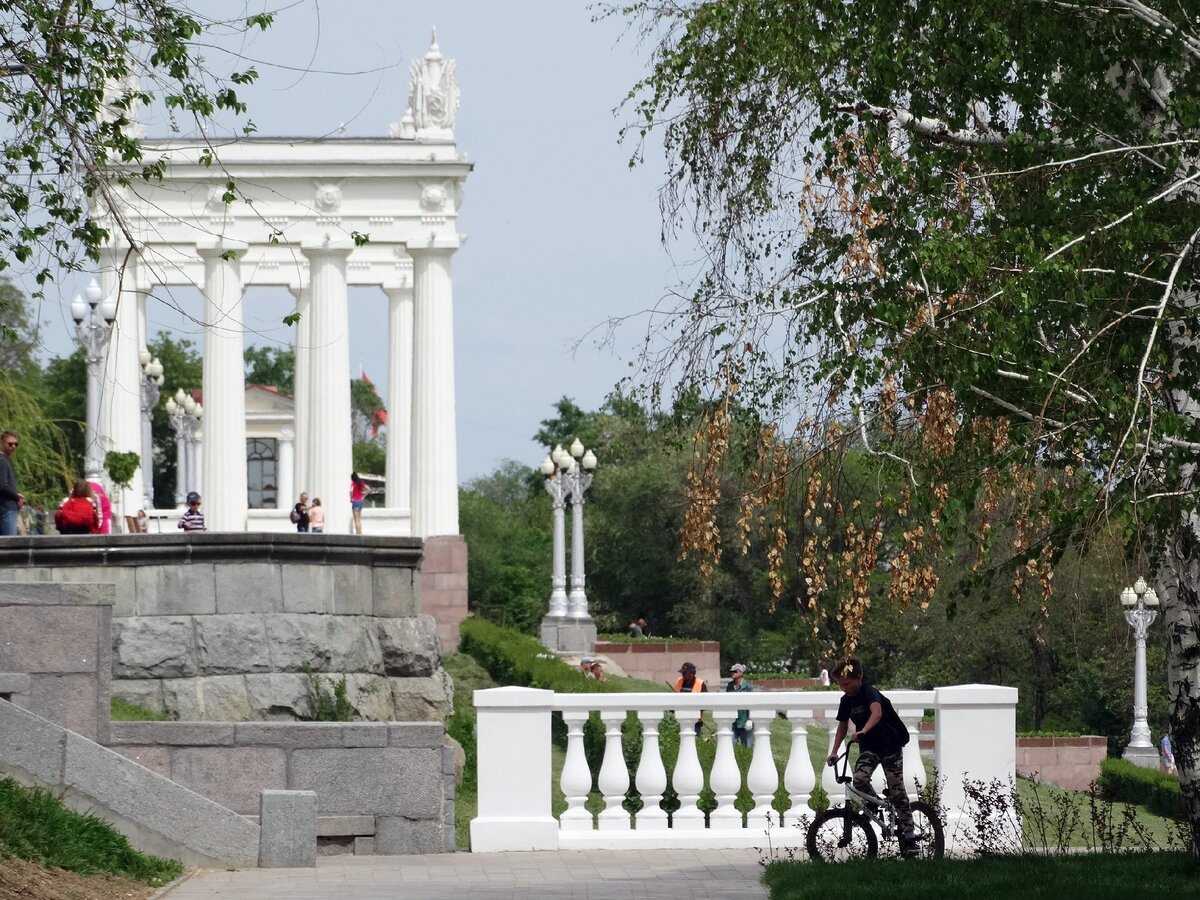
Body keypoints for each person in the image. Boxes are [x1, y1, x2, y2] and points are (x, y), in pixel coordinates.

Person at [827, 656, 917, 857]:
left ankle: (909, 835)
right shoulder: (845, 701)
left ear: (858, 677)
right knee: (859, 779)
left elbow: (875, 713)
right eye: (840, 684)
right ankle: (874, 804)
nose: (844, 688)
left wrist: (863, 730)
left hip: (890, 746)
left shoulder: (869, 692)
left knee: (897, 789)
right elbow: (842, 726)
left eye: (847, 684)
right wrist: (834, 751)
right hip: (870, 748)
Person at [0, 431, 24, 535]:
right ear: (1, 443)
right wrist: (17, 497)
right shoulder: (2, 461)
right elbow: (2, 485)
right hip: (7, 509)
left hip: (5, 508)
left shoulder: (5, 460)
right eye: (10, 444)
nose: (13, 446)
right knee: (10, 545)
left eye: (16, 444)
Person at [673, 661, 708, 735]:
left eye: (685, 673)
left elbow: (705, 703)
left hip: (695, 720)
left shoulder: (700, 684)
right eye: (683, 673)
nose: (683, 675)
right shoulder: (679, 681)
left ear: (692, 673)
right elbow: (674, 698)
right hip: (681, 718)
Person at [727, 663, 755, 747]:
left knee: (747, 746)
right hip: (733, 722)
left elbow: (752, 704)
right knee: (730, 745)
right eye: (732, 672)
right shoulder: (729, 686)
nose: (733, 673)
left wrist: (750, 719)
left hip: (744, 722)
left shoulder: (747, 687)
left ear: (741, 673)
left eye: (735, 671)